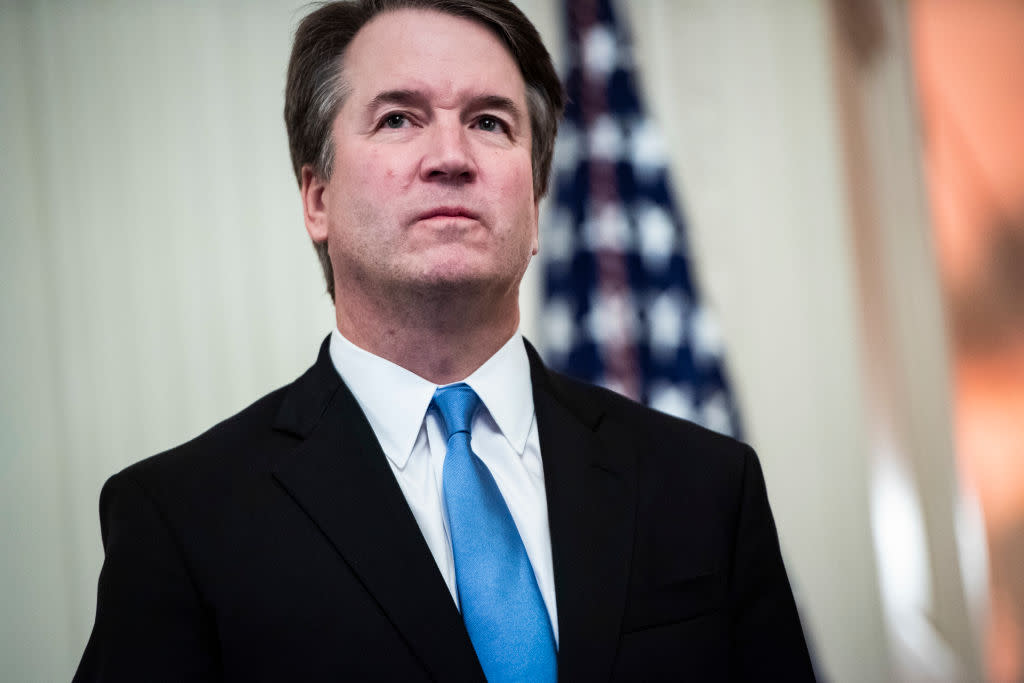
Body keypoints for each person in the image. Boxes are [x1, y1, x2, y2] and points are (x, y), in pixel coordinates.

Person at [73, 1, 815, 681]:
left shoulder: (707, 487)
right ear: (317, 198)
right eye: (399, 118)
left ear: (534, 199)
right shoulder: (183, 519)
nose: (451, 155)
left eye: (491, 122)